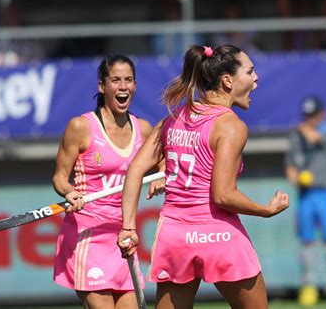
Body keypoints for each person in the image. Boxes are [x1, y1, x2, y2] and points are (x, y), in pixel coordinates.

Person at [117, 44, 290, 309]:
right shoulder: (230, 126)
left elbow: (135, 171)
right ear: (228, 81)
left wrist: (128, 227)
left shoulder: (172, 119)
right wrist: (265, 210)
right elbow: (223, 195)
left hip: (175, 238)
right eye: (250, 71)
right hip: (218, 235)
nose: (256, 79)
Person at [52, 54, 164, 309]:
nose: (123, 86)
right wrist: (69, 192)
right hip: (87, 236)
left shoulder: (144, 129)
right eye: (116, 80)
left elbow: (163, 161)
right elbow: (59, 177)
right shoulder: (81, 127)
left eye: (129, 80)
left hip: (124, 237)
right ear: (102, 86)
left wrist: (162, 174)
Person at [284, 96, 326, 306]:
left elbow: (315, 138)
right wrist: (294, 178)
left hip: (325, 192)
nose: (310, 119)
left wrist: (301, 128)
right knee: (307, 242)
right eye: (307, 116)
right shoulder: (296, 136)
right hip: (306, 195)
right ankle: (309, 286)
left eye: (313, 115)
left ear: (322, 114)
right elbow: (291, 164)